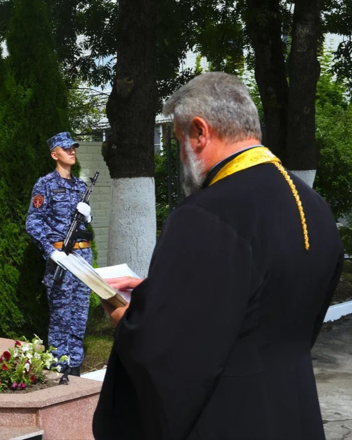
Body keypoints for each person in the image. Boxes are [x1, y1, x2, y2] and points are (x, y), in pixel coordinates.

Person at [92, 72, 344, 440]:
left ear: (199, 132)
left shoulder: (208, 212)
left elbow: (167, 352)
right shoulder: (314, 207)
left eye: (179, 141)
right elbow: (258, 306)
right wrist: (162, 293)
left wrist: (126, 315)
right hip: (294, 411)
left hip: (230, 418)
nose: (181, 155)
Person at [26, 132, 93, 382]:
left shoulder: (81, 186)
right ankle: (58, 369)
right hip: (61, 258)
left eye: (73, 148)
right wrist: (50, 250)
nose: (72, 152)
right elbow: (33, 222)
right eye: (66, 149)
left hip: (83, 256)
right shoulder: (44, 184)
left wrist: (88, 217)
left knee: (80, 315)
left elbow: (84, 224)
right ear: (55, 154)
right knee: (61, 317)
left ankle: (75, 367)